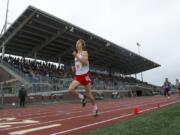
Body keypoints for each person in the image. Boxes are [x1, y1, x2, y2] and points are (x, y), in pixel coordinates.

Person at [68, 39, 99, 116]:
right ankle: (82, 97)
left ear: (82, 45)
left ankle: (95, 107)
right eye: (76, 43)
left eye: (78, 43)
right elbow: (79, 66)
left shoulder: (84, 53)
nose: (76, 44)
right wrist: (74, 69)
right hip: (78, 76)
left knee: (89, 94)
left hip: (85, 75)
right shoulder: (76, 55)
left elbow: (85, 63)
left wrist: (76, 56)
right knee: (70, 89)